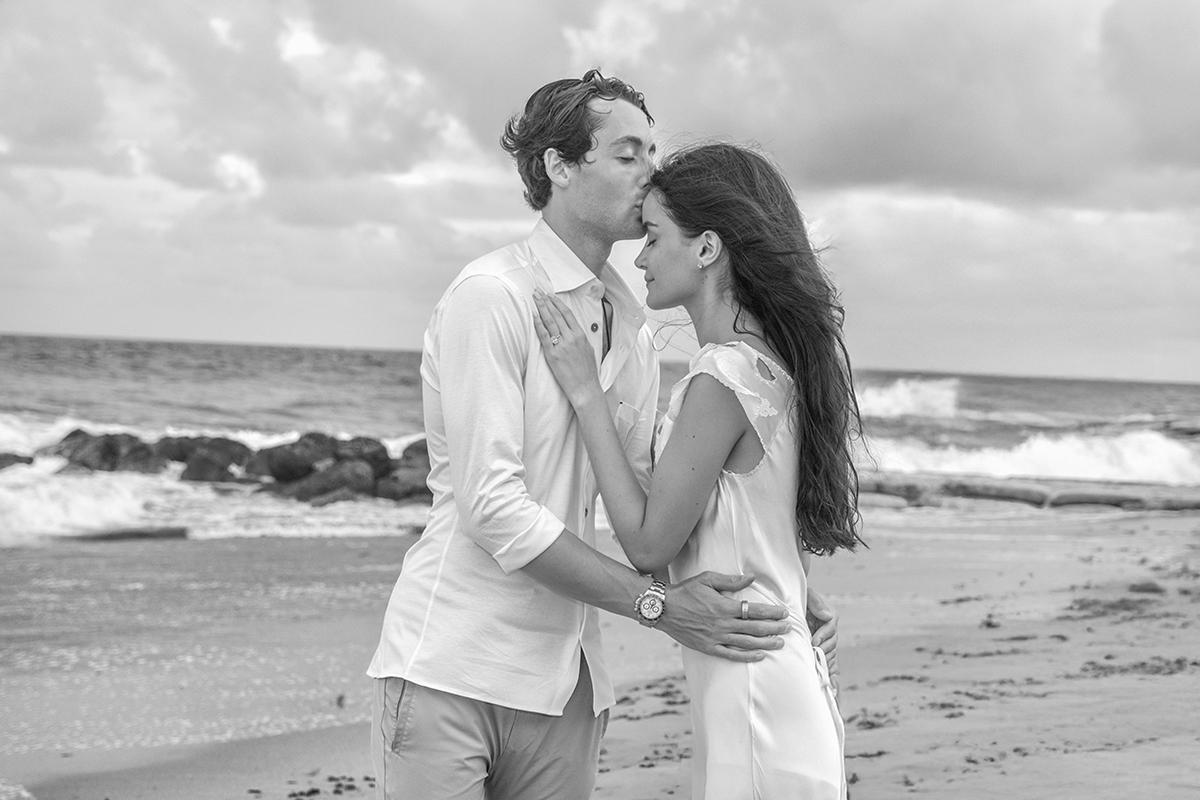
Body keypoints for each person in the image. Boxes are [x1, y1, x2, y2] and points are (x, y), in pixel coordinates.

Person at [367, 72, 839, 800]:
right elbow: (491, 505)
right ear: (559, 166)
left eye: (652, 150)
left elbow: (659, 503)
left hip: (568, 684)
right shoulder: (491, 299)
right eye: (627, 153)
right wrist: (656, 606)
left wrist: (778, 586)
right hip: (453, 667)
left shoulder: (636, 327)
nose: (652, 170)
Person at [532, 141, 864, 799]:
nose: (642, 256)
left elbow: (651, 544)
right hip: (770, 681)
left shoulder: (724, 375)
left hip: (754, 699)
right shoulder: (772, 366)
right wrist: (799, 591)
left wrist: (586, 394)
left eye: (654, 236)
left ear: (707, 247)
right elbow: (742, 527)